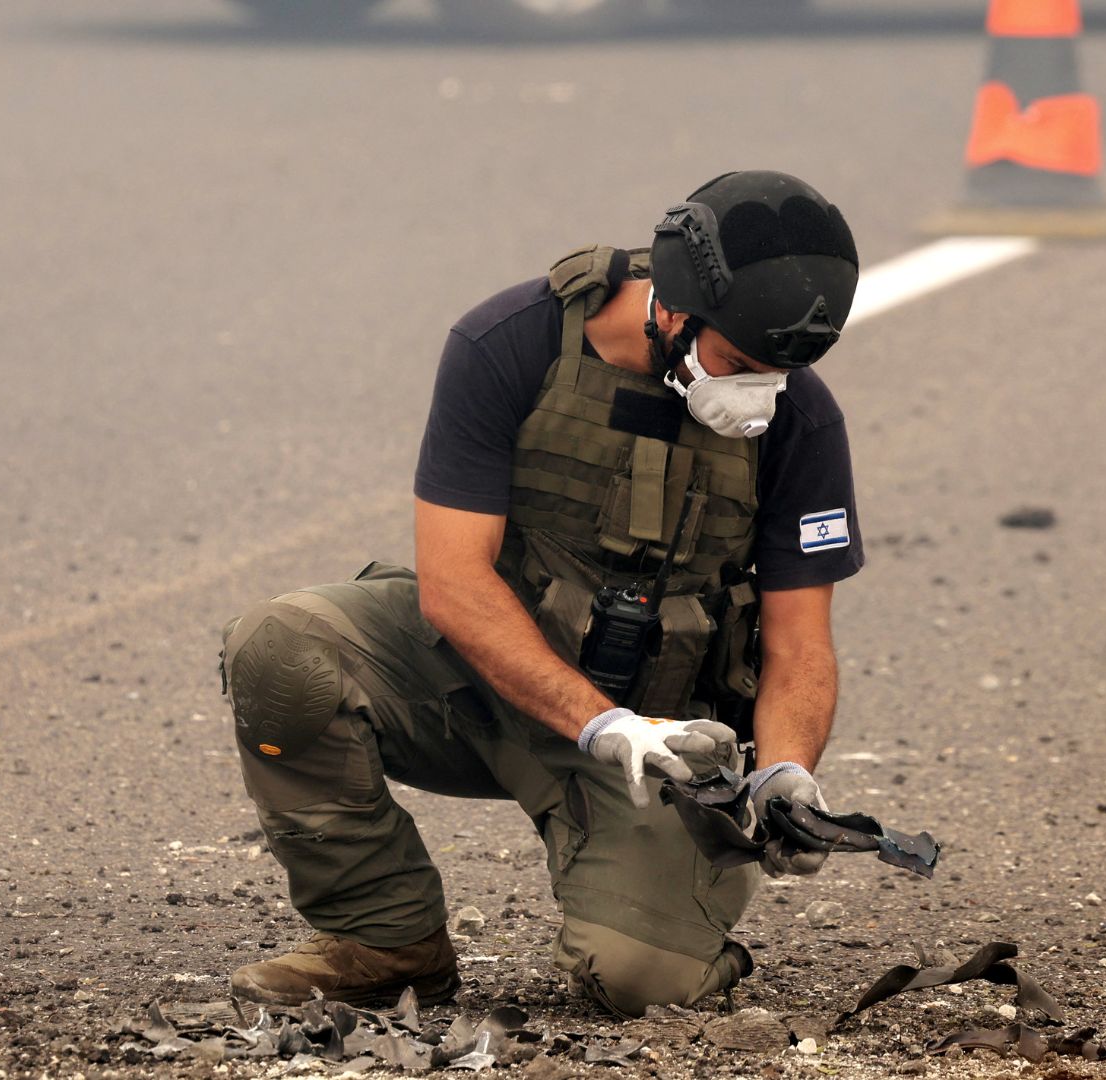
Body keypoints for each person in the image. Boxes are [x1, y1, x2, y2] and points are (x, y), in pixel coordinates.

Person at [219, 170, 864, 1017]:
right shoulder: (511, 343)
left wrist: (784, 772)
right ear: (671, 310)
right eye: (739, 364)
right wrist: (600, 724)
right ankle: (385, 938)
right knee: (282, 648)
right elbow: (452, 584)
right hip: (487, 680)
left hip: (662, 750)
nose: (759, 396)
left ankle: (680, 925)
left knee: (638, 984)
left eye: (782, 372)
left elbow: (799, 647)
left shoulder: (799, 419)